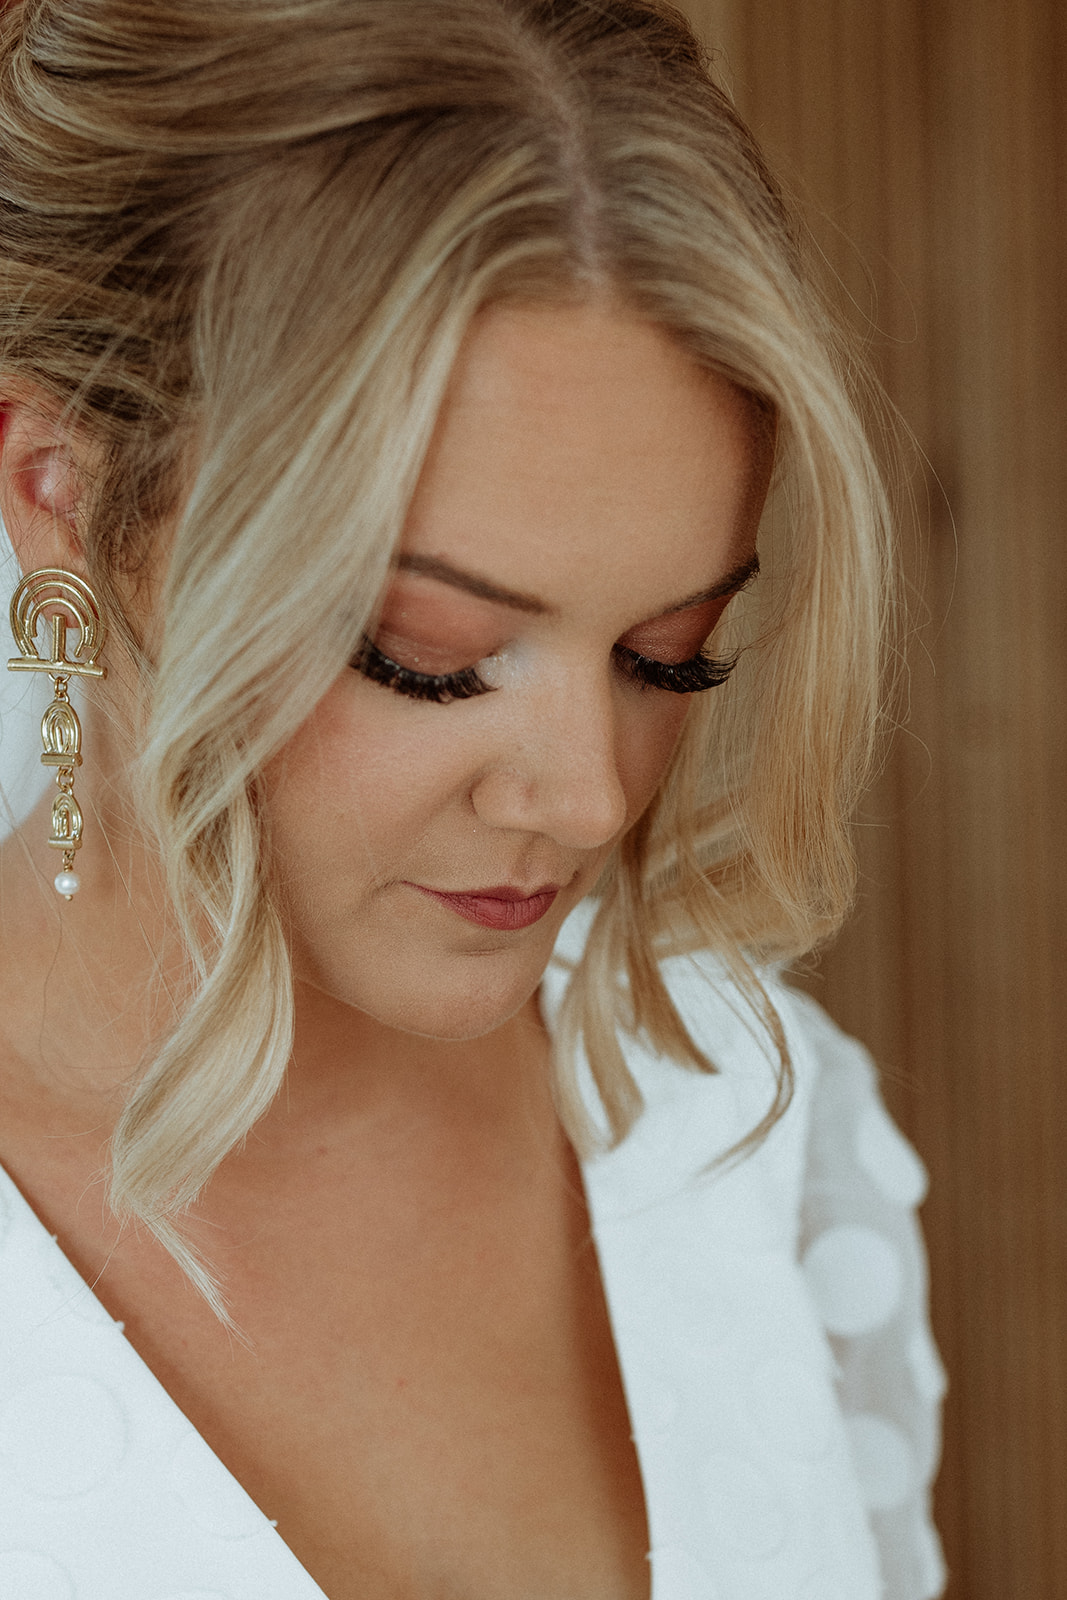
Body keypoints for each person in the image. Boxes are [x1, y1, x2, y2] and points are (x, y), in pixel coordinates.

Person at [0, 0, 945, 1596]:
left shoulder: (746, 1116)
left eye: (669, 654)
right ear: (64, 498)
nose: (588, 800)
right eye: (427, 655)